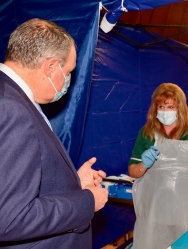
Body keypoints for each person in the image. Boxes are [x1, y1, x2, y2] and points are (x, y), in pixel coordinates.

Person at [0, 18, 108, 248]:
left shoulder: (11, 96)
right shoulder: (12, 108)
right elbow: (10, 218)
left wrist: (71, 183)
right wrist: (87, 200)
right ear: (50, 67)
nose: (67, 81)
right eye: (68, 72)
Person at [127, 83, 188, 249]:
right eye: (161, 106)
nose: (165, 111)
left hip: (185, 209)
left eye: (170, 106)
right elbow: (132, 171)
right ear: (155, 108)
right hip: (155, 210)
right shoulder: (147, 133)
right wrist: (143, 165)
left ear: (180, 108)